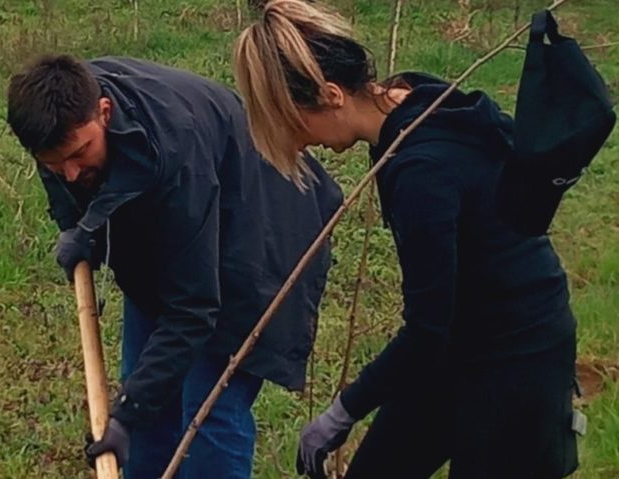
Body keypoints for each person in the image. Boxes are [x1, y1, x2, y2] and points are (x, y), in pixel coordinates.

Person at [232, 1, 580, 478]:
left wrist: (342, 411)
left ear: (331, 94)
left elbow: (427, 327)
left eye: (294, 123)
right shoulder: (409, 97)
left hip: (519, 358)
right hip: (458, 345)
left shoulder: (421, 171)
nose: (298, 142)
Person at [6, 54, 343, 478]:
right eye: (54, 164)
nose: (69, 173)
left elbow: (193, 308)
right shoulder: (58, 113)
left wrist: (126, 415)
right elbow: (66, 169)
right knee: (146, 398)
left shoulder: (176, 151)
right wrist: (80, 227)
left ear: (105, 112)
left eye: (79, 153)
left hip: (259, 240)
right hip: (179, 237)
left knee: (209, 411)